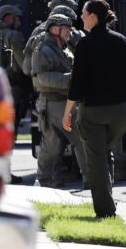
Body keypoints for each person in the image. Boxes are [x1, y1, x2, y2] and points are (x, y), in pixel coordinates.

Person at [64, 0, 126, 219]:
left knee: (96, 160)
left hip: (93, 112)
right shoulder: (121, 40)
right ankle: (108, 198)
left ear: (94, 17)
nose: (81, 17)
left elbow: (76, 83)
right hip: (120, 112)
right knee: (105, 152)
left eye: (84, 14)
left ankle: (105, 211)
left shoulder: (85, 45)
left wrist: (67, 112)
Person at [31, 14, 89, 189]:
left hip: (67, 102)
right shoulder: (43, 50)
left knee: (80, 140)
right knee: (52, 145)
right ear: (55, 29)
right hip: (51, 102)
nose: (70, 31)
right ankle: (44, 181)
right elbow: (42, 78)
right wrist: (72, 79)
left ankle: (89, 179)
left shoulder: (65, 49)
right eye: (66, 28)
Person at [0, 5, 28, 138]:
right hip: (12, 89)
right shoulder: (14, 36)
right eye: (17, 19)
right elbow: (25, 66)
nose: (19, 23)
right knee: (9, 133)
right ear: (8, 18)